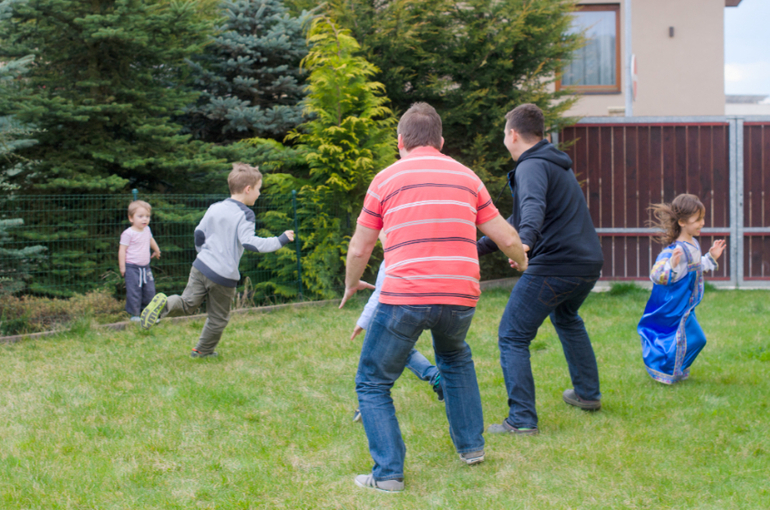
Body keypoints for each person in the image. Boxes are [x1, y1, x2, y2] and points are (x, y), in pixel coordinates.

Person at [340, 102, 528, 493]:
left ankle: (388, 475)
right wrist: (522, 261)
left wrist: (352, 283)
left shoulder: (385, 179)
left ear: (400, 142)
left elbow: (360, 248)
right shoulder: (467, 177)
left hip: (404, 296)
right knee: (455, 358)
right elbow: (507, 236)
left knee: (372, 381)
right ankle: (472, 448)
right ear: (441, 142)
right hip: (459, 296)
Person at [477, 103, 605, 436]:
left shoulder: (531, 166)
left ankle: (521, 420)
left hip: (557, 264)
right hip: (586, 262)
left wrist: (525, 245)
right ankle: (587, 394)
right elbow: (518, 219)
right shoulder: (552, 163)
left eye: (504, 133)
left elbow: (531, 210)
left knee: (512, 335)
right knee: (566, 318)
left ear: (513, 134)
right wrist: (477, 248)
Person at [140, 163, 294, 358]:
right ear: (248, 189)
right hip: (223, 275)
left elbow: (199, 234)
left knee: (187, 304)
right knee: (218, 318)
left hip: (201, 265)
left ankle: (164, 305)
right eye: (258, 189)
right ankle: (202, 351)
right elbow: (250, 243)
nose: (259, 194)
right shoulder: (246, 214)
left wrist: (204, 254)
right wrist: (280, 240)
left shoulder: (215, 207)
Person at [350, 231, 443, 424]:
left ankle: (367, 405)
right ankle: (435, 376)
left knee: (374, 361)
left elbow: (378, 296)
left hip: (392, 314)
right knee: (404, 351)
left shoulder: (390, 262)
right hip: (418, 311)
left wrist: (363, 321)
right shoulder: (414, 256)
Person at [638, 194, 726, 384]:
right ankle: (664, 372)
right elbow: (656, 274)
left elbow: (695, 268)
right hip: (673, 306)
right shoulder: (674, 251)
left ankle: (675, 369)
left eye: (703, 218)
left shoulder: (693, 243)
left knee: (696, 339)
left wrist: (711, 258)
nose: (702, 223)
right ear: (682, 222)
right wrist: (672, 265)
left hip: (685, 305)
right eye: (698, 219)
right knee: (686, 339)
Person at [119, 200, 161, 322]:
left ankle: (147, 314)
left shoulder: (147, 229)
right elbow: (122, 250)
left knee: (150, 291)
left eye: (147, 216)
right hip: (132, 268)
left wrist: (157, 250)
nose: (145, 219)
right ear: (131, 218)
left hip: (146, 268)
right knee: (134, 291)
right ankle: (135, 315)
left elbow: (150, 239)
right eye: (140, 216)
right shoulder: (128, 233)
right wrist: (122, 267)